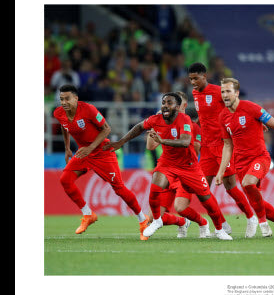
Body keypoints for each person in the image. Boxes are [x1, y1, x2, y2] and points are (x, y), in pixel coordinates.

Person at [104, 92, 233, 241]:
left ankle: (219, 230)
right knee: (154, 189)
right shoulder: (156, 119)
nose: (165, 105)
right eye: (164, 102)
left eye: (169, 103)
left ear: (177, 107)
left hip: (188, 166)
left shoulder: (184, 119)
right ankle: (158, 220)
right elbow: (139, 127)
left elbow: (185, 142)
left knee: (207, 200)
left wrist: (162, 140)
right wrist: (121, 142)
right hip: (167, 163)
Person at [53, 84, 149, 239]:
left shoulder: (88, 109)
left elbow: (106, 129)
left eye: (67, 98)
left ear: (76, 98)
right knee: (65, 180)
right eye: (61, 99)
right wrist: (67, 147)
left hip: (102, 152)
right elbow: (65, 127)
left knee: (119, 188)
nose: (64, 102)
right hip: (84, 153)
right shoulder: (59, 113)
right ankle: (88, 214)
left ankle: (142, 219)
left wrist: (91, 148)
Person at [215, 78, 274, 238]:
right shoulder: (223, 116)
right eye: (222, 92)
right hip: (240, 163)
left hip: (260, 157)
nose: (225, 95)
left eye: (228, 91)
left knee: (248, 183)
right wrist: (220, 172)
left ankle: (263, 224)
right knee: (256, 200)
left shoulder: (251, 108)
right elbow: (227, 145)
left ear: (237, 93)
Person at [189, 63, 259, 238]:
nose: (192, 82)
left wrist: (255, 121)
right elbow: (206, 115)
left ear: (205, 76)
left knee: (229, 185)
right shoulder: (195, 93)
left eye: (195, 78)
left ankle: (251, 217)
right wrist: (193, 123)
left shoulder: (218, 91)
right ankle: (222, 225)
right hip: (205, 147)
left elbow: (237, 106)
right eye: (190, 79)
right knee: (202, 189)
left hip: (222, 144)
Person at [145, 91, 213, 239]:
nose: (169, 107)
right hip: (167, 170)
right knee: (151, 218)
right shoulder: (162, 121)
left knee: (180, 207)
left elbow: (195, 149)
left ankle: (203, 223)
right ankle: (182, 222)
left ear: (182, 105)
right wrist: (156, 127)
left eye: (174, 103)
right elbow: (150, 147)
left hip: (185, 171)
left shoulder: (192, 125)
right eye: (166, 103)